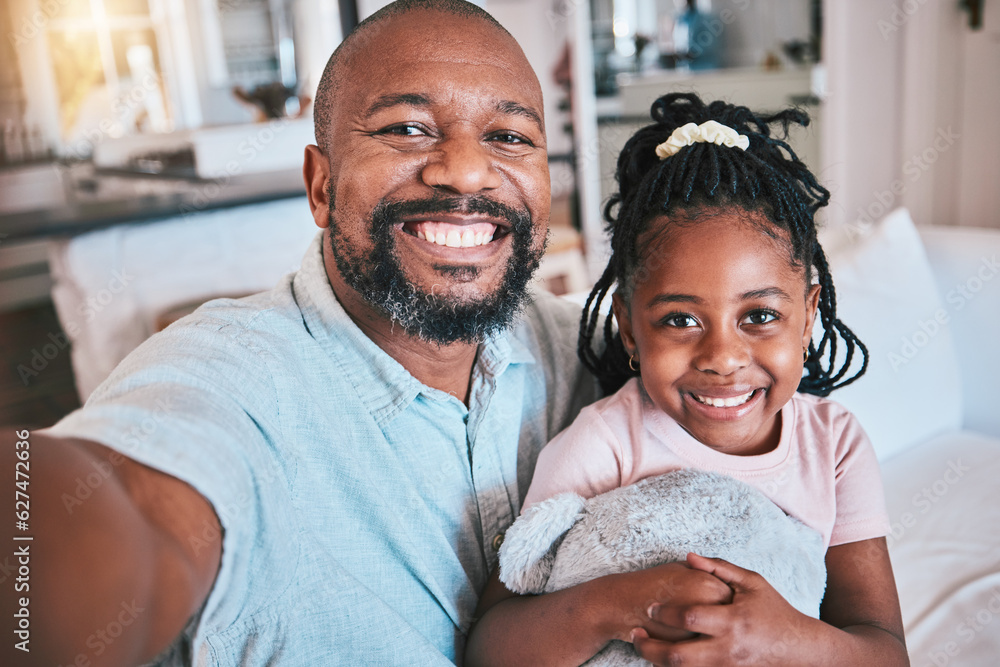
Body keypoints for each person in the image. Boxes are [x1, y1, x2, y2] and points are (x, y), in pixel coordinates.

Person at [2, 3, 734, 666]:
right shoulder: (233, 384)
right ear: (321, 185)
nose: (466, 170)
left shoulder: (584, 349)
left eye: (509, 136)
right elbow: (124, 509)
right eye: (407, 128)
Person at [466, 94, 908, 666]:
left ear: (807, 316)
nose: (723, 357)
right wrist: (625, 602)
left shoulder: (835, 446)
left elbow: (885, 652)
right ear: (628, 327)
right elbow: (491, 647)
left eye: (760, 316)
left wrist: (785, 638)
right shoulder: (604, 443)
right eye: (680, 319)